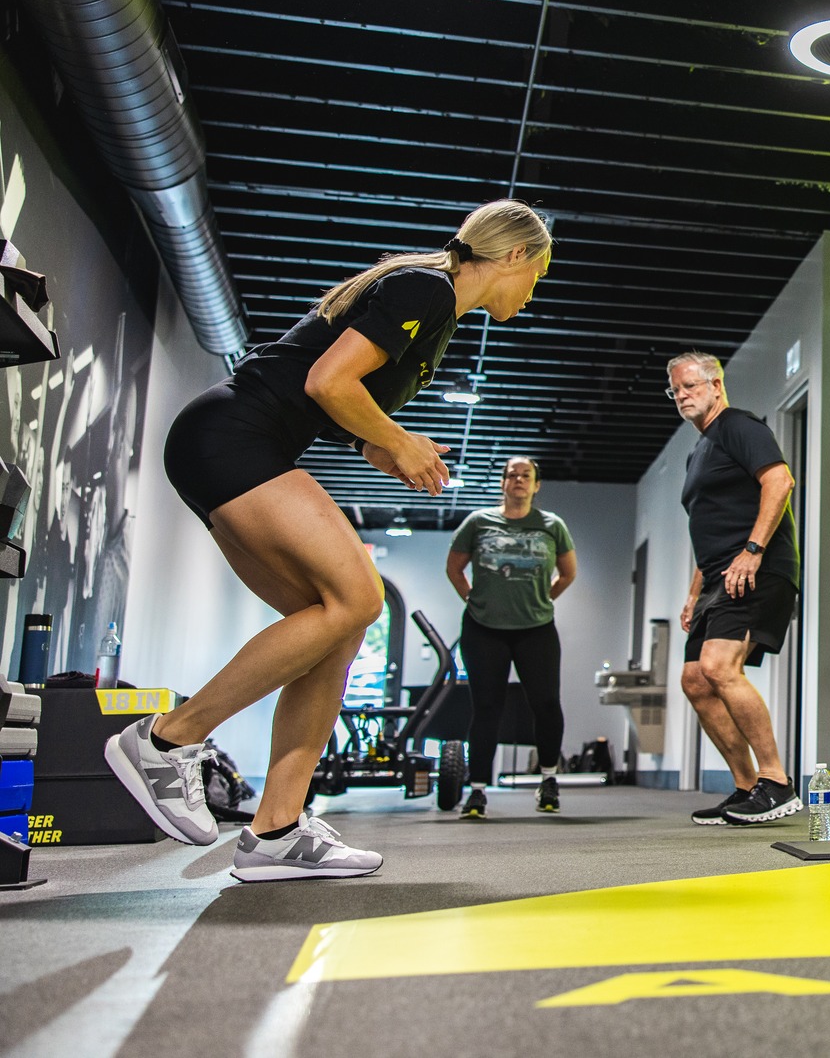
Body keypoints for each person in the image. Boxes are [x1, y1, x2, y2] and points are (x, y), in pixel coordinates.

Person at [108, 199, 552, 881]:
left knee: (335, 626)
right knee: (360, 597)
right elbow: (326, 380)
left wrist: (396, 451)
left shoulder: (434, 318)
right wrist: (399, 440)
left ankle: (276, 831)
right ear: (515, 255)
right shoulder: (427, 289)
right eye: (537, 274)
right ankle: (168, 740)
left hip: (233, 444)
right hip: (235, 437)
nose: (533, 291)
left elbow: (339, 408)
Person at [669, 352, 803, 825]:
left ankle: (777, 782)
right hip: (718, 576)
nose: (682, 395)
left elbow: (779, 481)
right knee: (694, 679)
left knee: (719, 666)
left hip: (757, 568)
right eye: (676, 391)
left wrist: (753, 549)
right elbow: (709, 529)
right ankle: (747, 786)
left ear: (716, 385)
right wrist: (692, 593)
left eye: (690, 386)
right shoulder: (699, 449)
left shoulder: (739, 427)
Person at [445, 455, 577, 818]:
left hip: (536, 629)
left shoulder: (552, 525)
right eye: (511, 475)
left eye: (526, 475)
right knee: (487, 708)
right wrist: (472, 598)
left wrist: (543, 600)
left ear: (536, 485)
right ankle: (477, 791)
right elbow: (454, 567)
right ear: (503, 483)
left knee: (546, 704)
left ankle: (548, 780)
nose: (518, 480)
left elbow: (567, 573)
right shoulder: (479, 522)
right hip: (483, 629)